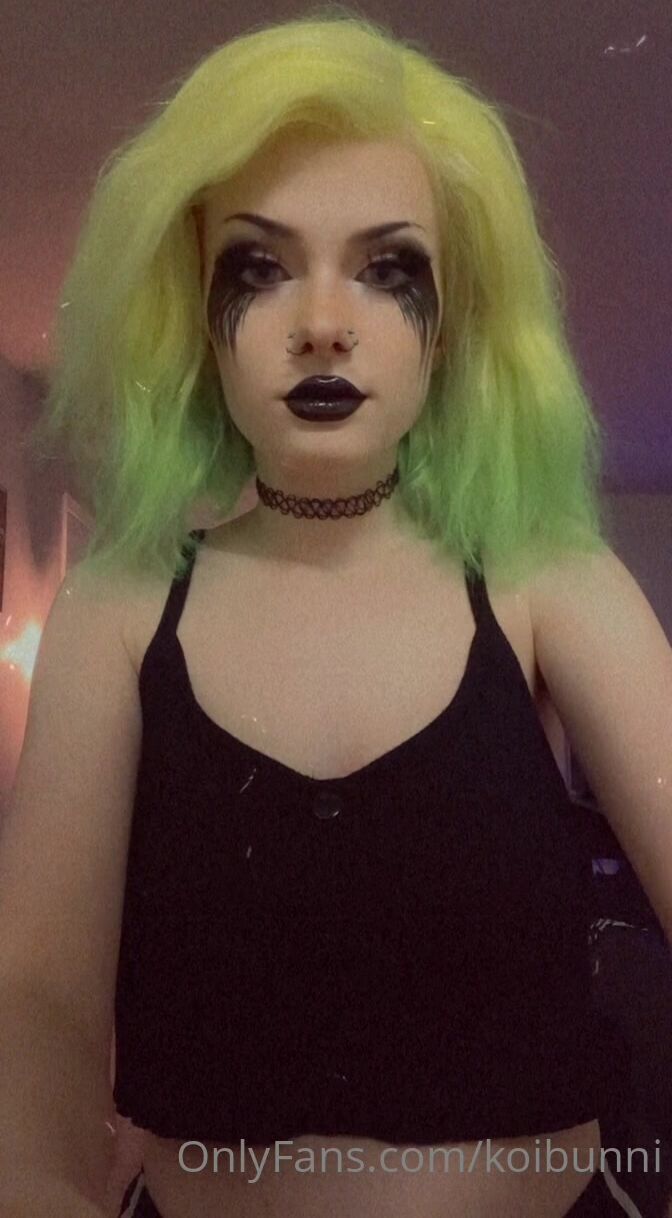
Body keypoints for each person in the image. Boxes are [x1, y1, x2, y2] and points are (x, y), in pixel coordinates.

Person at [2, 7, 664, 1217]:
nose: (322, 320)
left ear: (453, 321)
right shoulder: (118, 610)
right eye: (259, 267)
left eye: (385, 267)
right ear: (190, 313)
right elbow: (37, 991)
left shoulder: (546, 582)